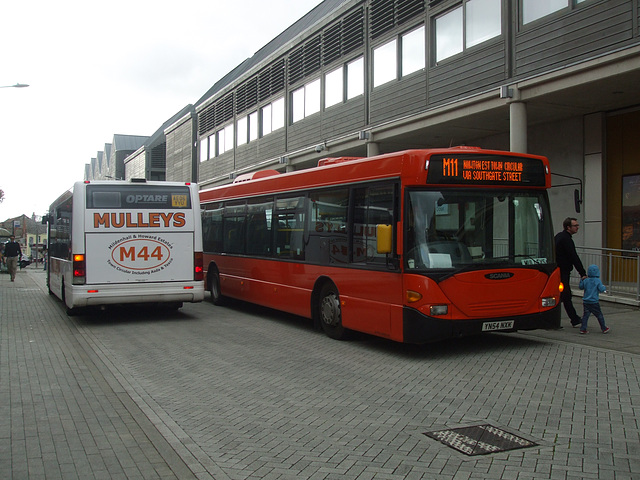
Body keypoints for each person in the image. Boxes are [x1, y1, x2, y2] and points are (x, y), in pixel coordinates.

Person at [555, 217, 587, 327]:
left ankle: (558, 320)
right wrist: (582, 273)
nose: (577, 227)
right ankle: (574, 319)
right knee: (565, 295)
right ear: (568, 227)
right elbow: (573, 256)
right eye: (575, 225)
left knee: (561, 295)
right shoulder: (566, 239)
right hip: (562, 271)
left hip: (558, 270)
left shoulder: (560, 236)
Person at [578, 264, 610, 334]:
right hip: (594, 302)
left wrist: (581, 280)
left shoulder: (586, 280)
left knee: (585, 316)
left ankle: (583, 328)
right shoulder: (597, 281)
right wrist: (604, 288)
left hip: (586, 301)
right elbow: (601, 289)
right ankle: (604, 328)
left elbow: (580, 287)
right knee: (599, 315)